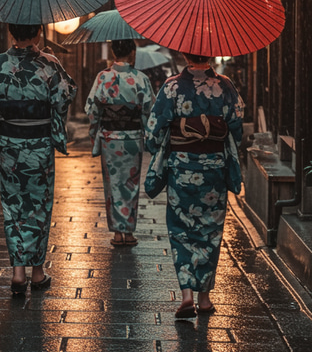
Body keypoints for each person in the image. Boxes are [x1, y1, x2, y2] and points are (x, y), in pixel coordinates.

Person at [0, 23, 76, 296]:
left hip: (10, 145)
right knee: (39, 206)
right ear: (39, 32)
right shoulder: (49, 64)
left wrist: (5, 116)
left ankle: (18, 273)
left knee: (12, 206)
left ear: (11, 32)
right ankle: (37, 271)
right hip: (40, 145)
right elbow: (64, 98)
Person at [145, 52, 244, 318]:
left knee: (181, 227)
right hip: (213, 169)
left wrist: (160, 143)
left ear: (185, 53)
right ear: (211, 53)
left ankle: (186, 294)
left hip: (182, 168)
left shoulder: (173, 86)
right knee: (210, 230)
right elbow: (236, 126)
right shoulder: (225, 85)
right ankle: (205, 298)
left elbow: (154, 129)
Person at [85, 38, 155, 247]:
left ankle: (117, 232)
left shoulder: (103, 77)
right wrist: (147, 133)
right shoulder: (141, 78)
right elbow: (148, 111)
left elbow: (92, 110)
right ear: (132, 52)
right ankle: (129, 231)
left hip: (110, 138)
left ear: (113, 52)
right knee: (131, 183)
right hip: (132, 137)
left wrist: (94, 134)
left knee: (113, 185)